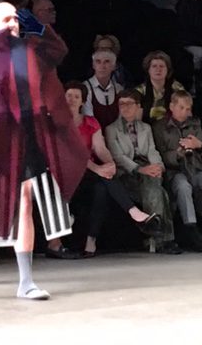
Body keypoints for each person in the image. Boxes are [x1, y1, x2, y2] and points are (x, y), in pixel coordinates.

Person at [0, 2, 88, 298]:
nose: (13, 23)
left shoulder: (26, 53)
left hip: (19, 137)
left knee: (24, 200)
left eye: (16, 19)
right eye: (6, 19)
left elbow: (55, 57)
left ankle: (26, 281)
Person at [65, 82, 161, 257]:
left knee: (103, 187)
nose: (72, 99)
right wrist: (98, 169)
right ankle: (134, 212)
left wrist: (110, 164)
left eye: (76, 97)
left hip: (89, 173)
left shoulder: (90, 122)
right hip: (67, 173)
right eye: (69, 96)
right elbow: (71, 154)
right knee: (103, 178)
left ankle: (92, 239)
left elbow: (100, 149)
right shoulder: (59, 123)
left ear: (83, 102)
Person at [153, 90, 202, 251]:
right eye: (181, 108)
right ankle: (192, 230)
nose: (185, 112)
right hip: (175, 171)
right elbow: (160, 155)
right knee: (183, 187)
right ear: (172, 107)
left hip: (196, 168)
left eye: (188, 108)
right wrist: (177, 154)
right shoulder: (160, 127)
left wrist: (198, 145)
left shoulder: (194, 123)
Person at [105, 90, 181, 254]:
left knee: (155, 188)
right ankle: (165, 241)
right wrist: (140, 169)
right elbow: (118, 157)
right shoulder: (111, 129)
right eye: (122, 104)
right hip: (127, 173)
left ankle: (155, 239)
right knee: (159, 192)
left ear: (138, 106)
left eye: (129, 104)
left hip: (147, 170)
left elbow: (152, 151)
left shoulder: (145, 128)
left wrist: (158, 166)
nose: (125, 107)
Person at [135, 50, 184, 124]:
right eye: (154, 66)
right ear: (148, 70)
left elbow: (185, 113)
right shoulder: (139, 91)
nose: (158, 69)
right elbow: (136, 120)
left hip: (171, 128)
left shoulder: (177, 88)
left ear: (167, 69)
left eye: (162, 66)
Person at [83, 49, 123, 130]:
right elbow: (88, 118)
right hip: (93, 133)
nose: (102, 66)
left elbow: (121, 118)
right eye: (98, 62)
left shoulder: (119, 89)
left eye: (107, 62)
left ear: (114, 66)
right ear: (93, 65)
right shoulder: (85, 87)